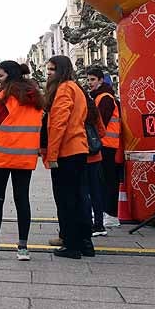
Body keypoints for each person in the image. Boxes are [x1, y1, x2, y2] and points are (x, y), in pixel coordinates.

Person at [0, 61, 43, 262]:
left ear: (10, 76)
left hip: (2, 156)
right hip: (25, 156)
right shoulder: (35, 98)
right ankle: (23, 249)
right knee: (23, 200)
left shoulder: (5, 96)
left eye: (1, 76)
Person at [42, 55, 92, 260]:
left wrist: (52, 155)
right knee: (80, 197)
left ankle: (71, 244)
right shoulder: (77, 88)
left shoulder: (63, 89)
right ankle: (85, 242)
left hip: (67, 150)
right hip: (79, 148)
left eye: (52, 70)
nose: (48, 74)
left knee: (66, 199)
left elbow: (58, 124)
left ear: (60, 70)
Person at [86, 67, 123, 229]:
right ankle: (104, 212)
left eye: (93, 79)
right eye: (88, 80)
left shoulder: (105, 98)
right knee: (102, 181)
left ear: (101, 80)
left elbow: (100, 122)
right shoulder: (100, 97)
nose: (90, 83)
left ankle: (111, 214)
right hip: (105, 144)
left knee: (107, 180)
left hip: (107, 145)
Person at [84, 94, 107, 238]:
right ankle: (99, 223)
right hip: (96, 156)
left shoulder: (77, 110)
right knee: (96, 192)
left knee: (83, 193)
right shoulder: (93, 110)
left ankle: (86, 223)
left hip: (81, 157)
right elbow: (102, 132)